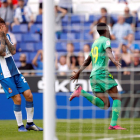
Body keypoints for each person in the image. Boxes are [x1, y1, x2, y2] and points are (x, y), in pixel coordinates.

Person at [69, 23, 126, 130]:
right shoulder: (105, 40)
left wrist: (78, 72)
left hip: (93, 76)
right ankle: (113, 124)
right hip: (102, 73)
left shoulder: (95, 43)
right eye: (108, 29)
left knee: (105, 104)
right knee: (117, 97)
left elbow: (88, 59)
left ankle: (81, 92)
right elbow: (108, 51)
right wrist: (114, 60)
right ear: (105, 30)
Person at [0, 17, 43, 131]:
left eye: (3, 25)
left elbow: (13, 51)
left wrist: (4, 37)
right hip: (4, 74)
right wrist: (2, 37)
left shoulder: (7, 36)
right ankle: (20, 125)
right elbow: (2, 52)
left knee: (29, 95)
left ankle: (30, 123)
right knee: (17, 99)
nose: (4, 27)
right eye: (2, 26)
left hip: (15, 72)